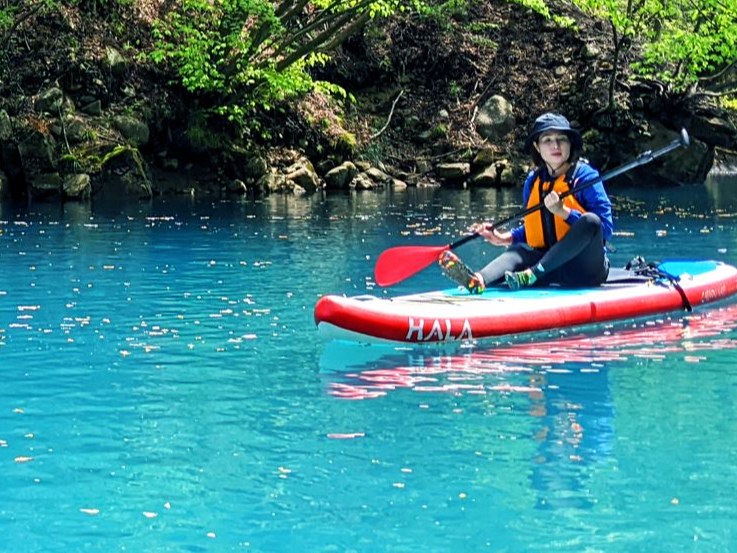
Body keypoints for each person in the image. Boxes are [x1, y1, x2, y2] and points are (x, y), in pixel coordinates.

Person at [439, 112, 613, 293]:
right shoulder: (533, 181)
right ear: (537, 146)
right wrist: (503, 238)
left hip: (584, 270)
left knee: (591, 220)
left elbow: (604, 230)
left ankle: (532, 274)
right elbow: (534, 227)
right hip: (550, 269)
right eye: (547, 140)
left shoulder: (586, 177)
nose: (555, 145)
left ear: (570, 143)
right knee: (519, 250)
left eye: (562, 139)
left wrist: (563, 212)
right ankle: (478, 280)